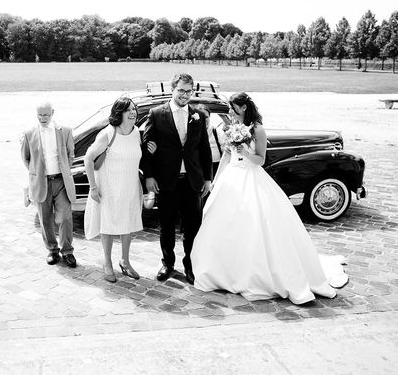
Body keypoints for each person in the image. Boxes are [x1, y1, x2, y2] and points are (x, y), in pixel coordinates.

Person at [191, 92, 348, 304]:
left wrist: (245, 151)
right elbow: (227, 157)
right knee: (221, 223)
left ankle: (256, 275)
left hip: (251, 176)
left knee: (256, 225)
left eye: (233, 108)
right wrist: (217, 181)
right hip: (230, 179)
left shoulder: (257, 129)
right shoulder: (229, 128)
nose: (230, 112)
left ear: (243, 107)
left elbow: (261, 160)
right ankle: (221, 271)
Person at [142, 73, 213, 285]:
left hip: (192, 181)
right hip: (166, 180)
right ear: (173, 89)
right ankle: (168, 263)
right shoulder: (156, 114)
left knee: (193, 226)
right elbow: (147, 148)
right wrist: (149, 177)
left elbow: (204, 149)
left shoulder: (198, 116)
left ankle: (190, 266)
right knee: (166, 224)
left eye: (188, 92)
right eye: (181, 90)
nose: (184, 95)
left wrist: (207, 179)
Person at [83, 97, 144, 282]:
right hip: (108, 187)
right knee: (108, 225)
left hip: (130, 186)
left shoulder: (136, 133)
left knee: (128, 224)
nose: (133, 113)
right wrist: (93, 187)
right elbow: (88, 158)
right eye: (128, 110)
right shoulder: (108, 133)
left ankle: (125, 261)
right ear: (119, 113)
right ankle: (107, 263)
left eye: (134, 109)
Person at [20, 102, 77, 267]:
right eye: (40, 115)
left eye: (46, 115)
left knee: (65, 218)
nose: (43, 118)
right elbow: (26, 158)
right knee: (45, 219)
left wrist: (65, 168)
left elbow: (70, 153)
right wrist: (36, 173)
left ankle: (67, 251)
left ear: (52, 112)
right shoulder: (29, 133)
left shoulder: (65, 131)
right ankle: (52, 250)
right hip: (41, 182)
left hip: (61, 181)